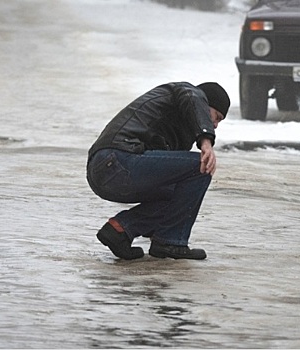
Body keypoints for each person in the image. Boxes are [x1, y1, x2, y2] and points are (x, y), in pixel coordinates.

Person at [86, 82, 230, 260]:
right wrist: (206, 140)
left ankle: (120, 230)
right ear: (205, 103)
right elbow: (193, 98)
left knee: (180, 193)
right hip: (116, 159)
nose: (215, 124)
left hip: (106, 171)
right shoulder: (189, 92)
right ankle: (170, 241)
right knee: (201, 167)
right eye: (216, 117)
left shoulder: (177, 125)